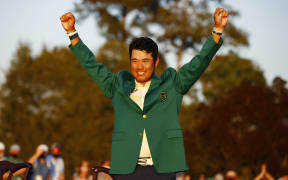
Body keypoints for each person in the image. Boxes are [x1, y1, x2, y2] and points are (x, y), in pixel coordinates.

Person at [60, 7, 228, 180]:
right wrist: (72, 33)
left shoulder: (172, 84)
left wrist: (217, 30)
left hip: (162, 170)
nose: (139, 67)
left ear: (156, 62)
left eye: (145, 61)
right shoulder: (118, 86)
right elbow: (92, 66)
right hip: (126, 170)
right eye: (135, 61)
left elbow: (198, 63)